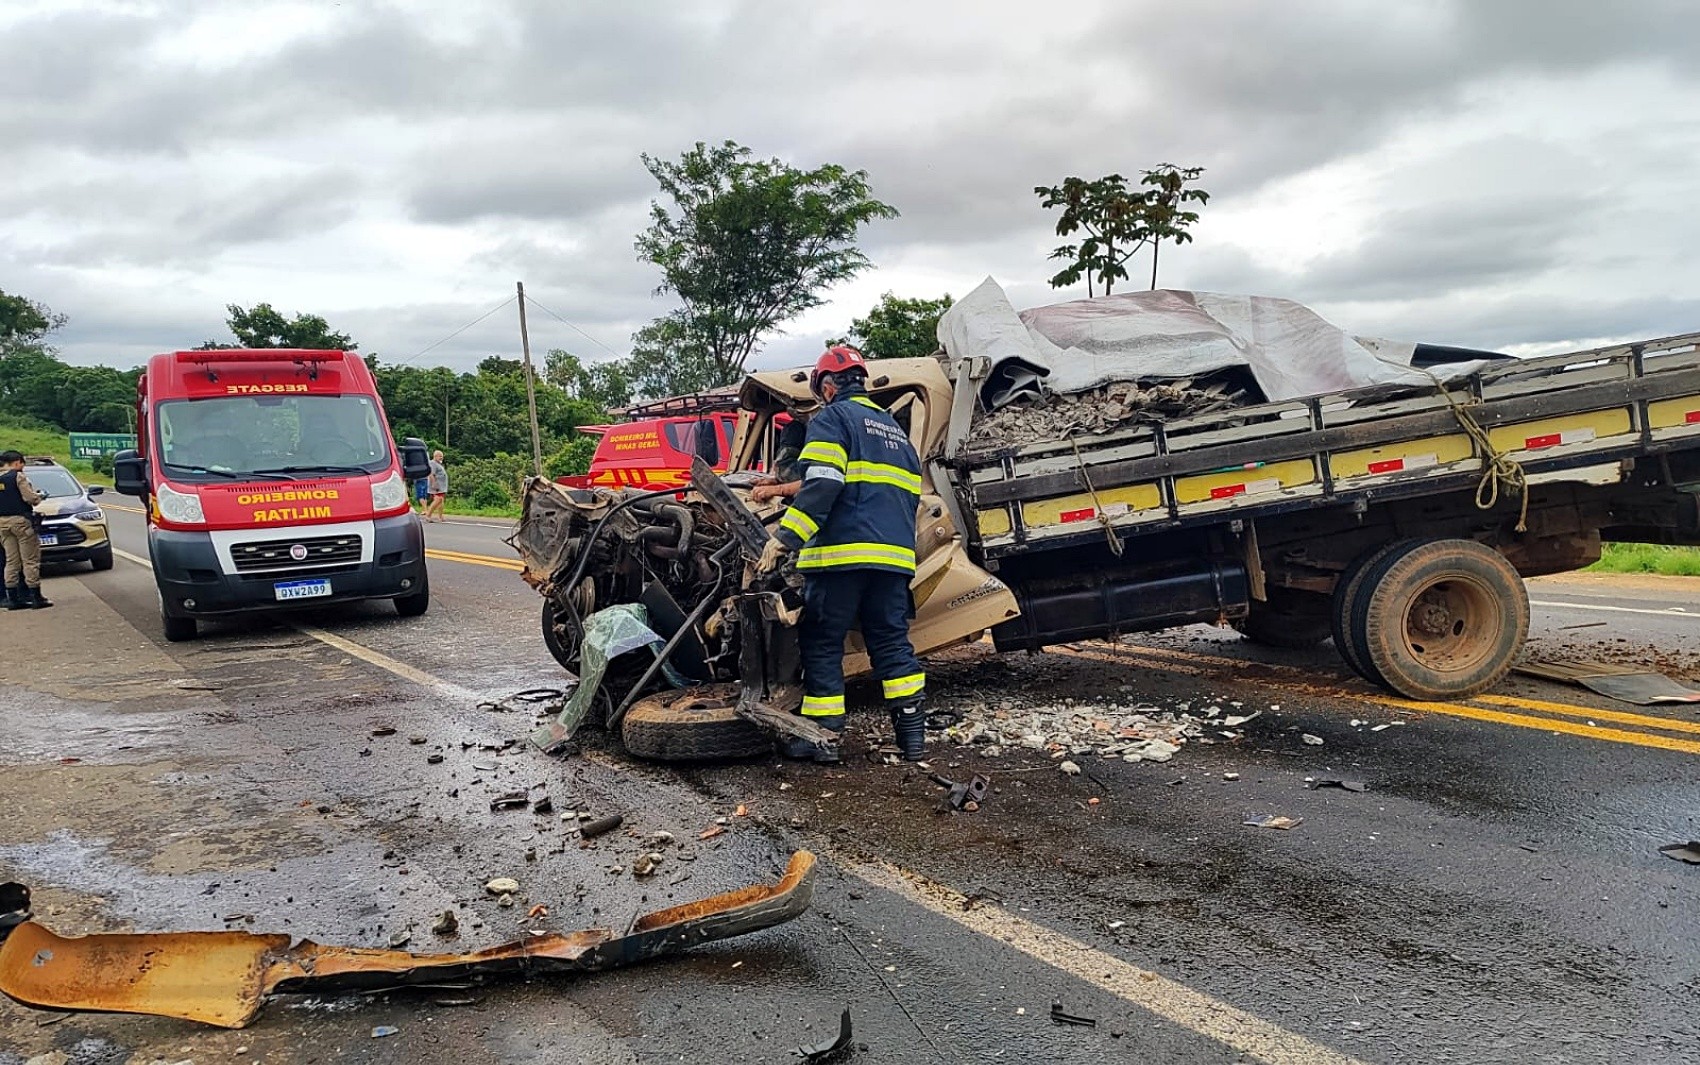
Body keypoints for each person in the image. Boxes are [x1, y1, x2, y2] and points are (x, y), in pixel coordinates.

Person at [757, 347, 926, 762]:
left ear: (828, 387)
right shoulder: (895, 432)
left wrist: (786, 538)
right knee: (890, 643)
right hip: (893, 560)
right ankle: (912, 741)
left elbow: (823, 484)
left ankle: (824, 739)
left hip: (841, 557)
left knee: (822, 641)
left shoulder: (832, 418)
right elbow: (907, 496)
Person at [0, 451, 53, 610]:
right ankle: (36, 597)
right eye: (21, 465)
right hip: (21, 522)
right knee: (30, 559)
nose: (22, 469)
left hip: (2, 523)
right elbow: (30, 499)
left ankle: (13, 599)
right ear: (17, 462)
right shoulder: (18, 477)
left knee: (11, 561)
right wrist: (40, 496)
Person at [424, 450, 448, 523]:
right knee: (438, 500)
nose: (441, 458)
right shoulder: (433, 463)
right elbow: (431, 474)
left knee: (441, 500)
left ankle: (440, 517)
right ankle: (428, 515)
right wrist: (434, 483)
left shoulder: (438, 464)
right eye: (440, 456)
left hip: (441, 486)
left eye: (442, 456)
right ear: (435, 456)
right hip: (436, 485)